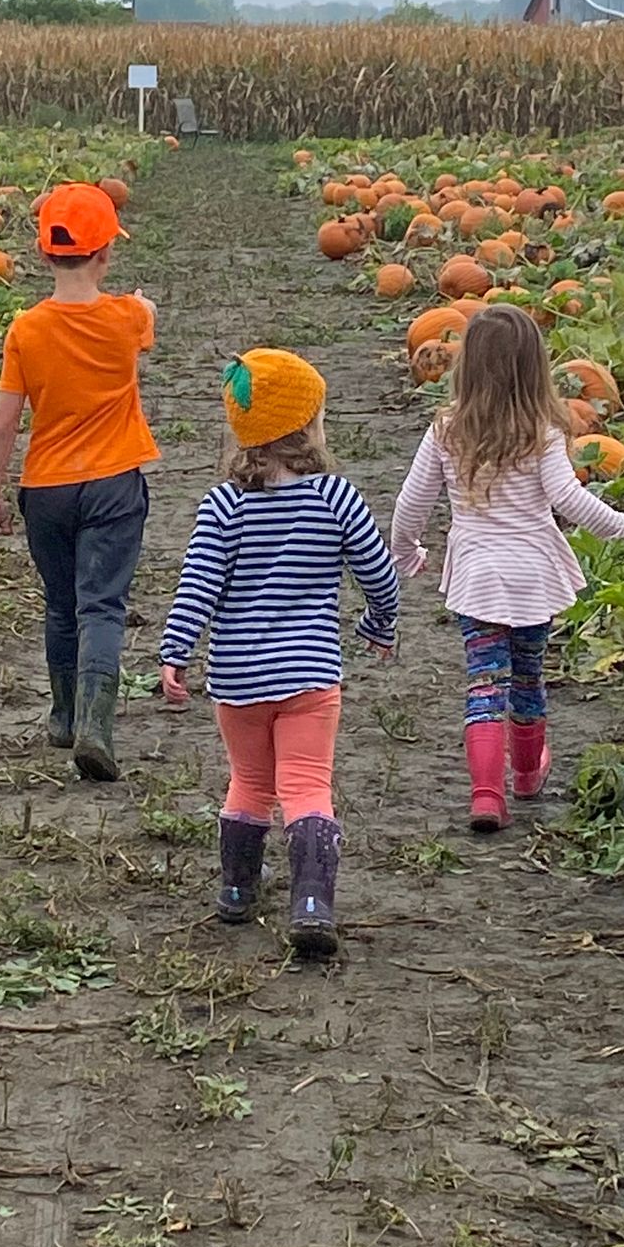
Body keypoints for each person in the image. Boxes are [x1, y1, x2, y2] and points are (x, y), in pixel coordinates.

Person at [159, 350, 399, 958]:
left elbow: (198, 586)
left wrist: (176, 651)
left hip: (237, 678)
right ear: (309, 424)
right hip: (310, 674)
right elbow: (378, 572)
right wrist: (380, 621)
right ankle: (312, 903)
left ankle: (238, 890)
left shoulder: (224, 506)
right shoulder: (336, 498)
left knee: (249, 782)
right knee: (307, 784)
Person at [391, 303, 624, 833]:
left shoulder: (446, 429)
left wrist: (405, 550)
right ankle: (528, 774)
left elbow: (411, 504)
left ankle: (487, 796)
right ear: (534, 367)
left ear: (468, 366)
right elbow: (570, 500)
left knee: (485, 683)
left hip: (479, 578)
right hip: (534, 575)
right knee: (529, 676)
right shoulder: (543, 432)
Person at [0, 182, 156, 781]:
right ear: (105, 253)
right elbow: (144, 324)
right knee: (101, 604)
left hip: (45, 488)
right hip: (113, 482)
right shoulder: (128, 318)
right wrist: (141, 307)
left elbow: (5, 420)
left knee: (60, 604)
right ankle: (95, 727)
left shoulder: (25, 330)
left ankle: (60, 714)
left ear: (43, 253)